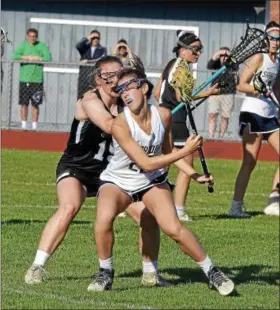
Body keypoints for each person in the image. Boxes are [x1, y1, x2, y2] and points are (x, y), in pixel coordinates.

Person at [88, 68, 234, 296]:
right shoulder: (120, 124)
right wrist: (186, 151)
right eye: (120, 90)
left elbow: (168, 151)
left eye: (129, 87)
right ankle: (105, 273)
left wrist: (194, 175)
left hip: (151, 181)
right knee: (103, 219)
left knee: (173, 227)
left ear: (144, 88)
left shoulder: (163, 115)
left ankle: (212, 272)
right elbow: (146, 163)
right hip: (119, 180)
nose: (124, 93)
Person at [24, 56, 163, 287]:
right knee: (70, 206)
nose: (117, 81)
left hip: (109, 173)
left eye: (121, 75)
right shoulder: (90, 100)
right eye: (110, 76)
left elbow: (148, 114)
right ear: (98, 79)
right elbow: (111, 126)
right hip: (77, 167)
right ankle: (37, 266)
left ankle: (151, 274)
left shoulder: (124, 102)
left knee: (148, 215)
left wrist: (141, 84)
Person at [154, 30, 219, 221]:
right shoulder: (181, 67)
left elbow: (158, 93)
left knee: (163, 163)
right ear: (183, 50)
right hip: (175, 118)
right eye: (195, 49)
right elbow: (180, 97)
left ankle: (140, 201)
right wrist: (200, 95)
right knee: (182, 160)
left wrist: (204, 94)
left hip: (168, 115)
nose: (198, 53)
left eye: (200, 50)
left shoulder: (171, 65)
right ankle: (178, 210)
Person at [228, 21, 280, 218]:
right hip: (252, 113)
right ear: (266, 39)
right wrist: (258, 89)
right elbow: (241, 85)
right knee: (250, 162)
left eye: (278, 39)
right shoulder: (259, 57)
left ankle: (274, 200)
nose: (275, 42)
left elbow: (276, 89)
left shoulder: (278, 62)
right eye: (272, 38)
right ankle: (235, 206)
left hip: (269, 115)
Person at [12, 28, 52, 130]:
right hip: (24, 80)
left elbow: (48, 57)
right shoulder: (23, 45)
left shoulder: (41, 46)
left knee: (35, 105)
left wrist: (39, 58)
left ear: (36, 37)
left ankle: (34, 127)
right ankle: (24, 126)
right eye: (30, 36)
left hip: (37, 81)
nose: (32, 38)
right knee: (24, 104)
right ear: (27, 36)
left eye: (34, 36)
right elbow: (15, 56)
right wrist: (26, 57)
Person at [207, 46, 238, 139]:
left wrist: (230, 55)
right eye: (222, 55)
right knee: (212, 114)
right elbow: (209, 65)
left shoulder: (232, 64)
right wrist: (218, 53)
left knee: (225, 116)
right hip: (215, 92)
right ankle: (211, 136)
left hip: (228, 93)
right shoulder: (215, 64)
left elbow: (236, 66)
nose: (224, 57)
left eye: (226, 55)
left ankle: (221, 136)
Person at [76, 29, 107, 99]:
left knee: (93, 98)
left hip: (94, 78)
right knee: (80, 98)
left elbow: (100, 60)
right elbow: (78, 46)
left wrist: (88, 62)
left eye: (97, 38)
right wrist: (87, 38)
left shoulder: (102, 49)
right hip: (83, 78)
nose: (95, 39)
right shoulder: (85, 48)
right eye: (93, 37)